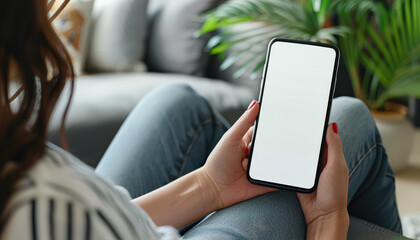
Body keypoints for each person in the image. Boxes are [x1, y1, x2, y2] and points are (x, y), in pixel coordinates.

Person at [0, 0, 401, 239]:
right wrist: (328, 221)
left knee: (177, 102)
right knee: (348, 117)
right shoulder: (44, 195)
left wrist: (209, 187)